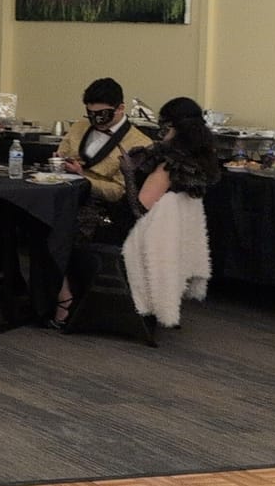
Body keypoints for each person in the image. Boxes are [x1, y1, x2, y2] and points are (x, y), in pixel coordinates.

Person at [52, 77, 154, 328]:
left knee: (50, 227)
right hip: (65, 194)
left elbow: (121, 192)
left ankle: (63, 296)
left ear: (120, 109)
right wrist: (58, 162)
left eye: (102, 113)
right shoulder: (79, 127)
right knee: (15, 214)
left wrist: (84, 178)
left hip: (102, 208)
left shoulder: (139, 143)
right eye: (90, 113)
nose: (95, 118)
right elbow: (61, 153)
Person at [121, 96, 222, 331]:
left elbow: (139, 208)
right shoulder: (202, 157)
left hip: (149, 234)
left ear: (172, 128)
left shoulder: (170, 163)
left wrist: (127, 173)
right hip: (177, 237)